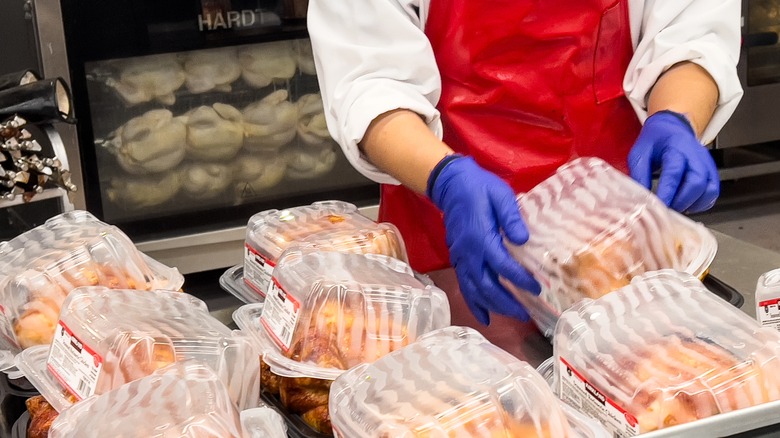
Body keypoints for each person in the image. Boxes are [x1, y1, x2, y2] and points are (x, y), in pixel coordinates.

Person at [307, 0, 742, 354]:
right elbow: (369, 81)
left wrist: (676, 117)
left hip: (613, 250)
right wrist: (445, 177)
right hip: (455, 244)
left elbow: (692, 29)